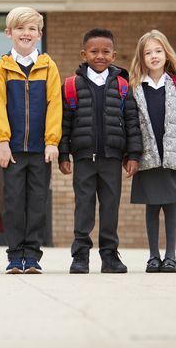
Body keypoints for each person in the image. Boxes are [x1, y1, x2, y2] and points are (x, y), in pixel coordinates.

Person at [58, 28, 142, 274]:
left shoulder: (123, 86)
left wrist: (133, 155)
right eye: (94, 52)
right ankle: (80, 256)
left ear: (114, 55)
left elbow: (132, 123)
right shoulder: (71, 85)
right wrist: (64, 155)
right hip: (83, 159)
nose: (100, 56)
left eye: (106, 52)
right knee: (83, 207)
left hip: (112, 159)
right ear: (84, 54)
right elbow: (64, 124)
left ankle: (109, 256)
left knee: (110, 208)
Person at [0, 6, 62, 274]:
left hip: (41, 150)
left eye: (31, 29)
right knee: (13, 204)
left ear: (39, 34)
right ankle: (14, 255)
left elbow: (55, 105)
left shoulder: (48, 66)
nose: (26, 33)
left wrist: (52, 141)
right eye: (20, 28)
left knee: (37, 203)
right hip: (13, 150)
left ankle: (32, 256)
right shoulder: (1, 68)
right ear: (9, 33)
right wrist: (3, 142)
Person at [128, 30, 176, 273]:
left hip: (173, 154)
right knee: (152, 206)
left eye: (158, 51)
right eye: (148, 52)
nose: (154, 56)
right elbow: (130, 123)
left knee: (170, 205)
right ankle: (153, 257)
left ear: (166, 54)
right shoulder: (135, 87)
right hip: (148, 156)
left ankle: (170, 256)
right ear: (141, 58)